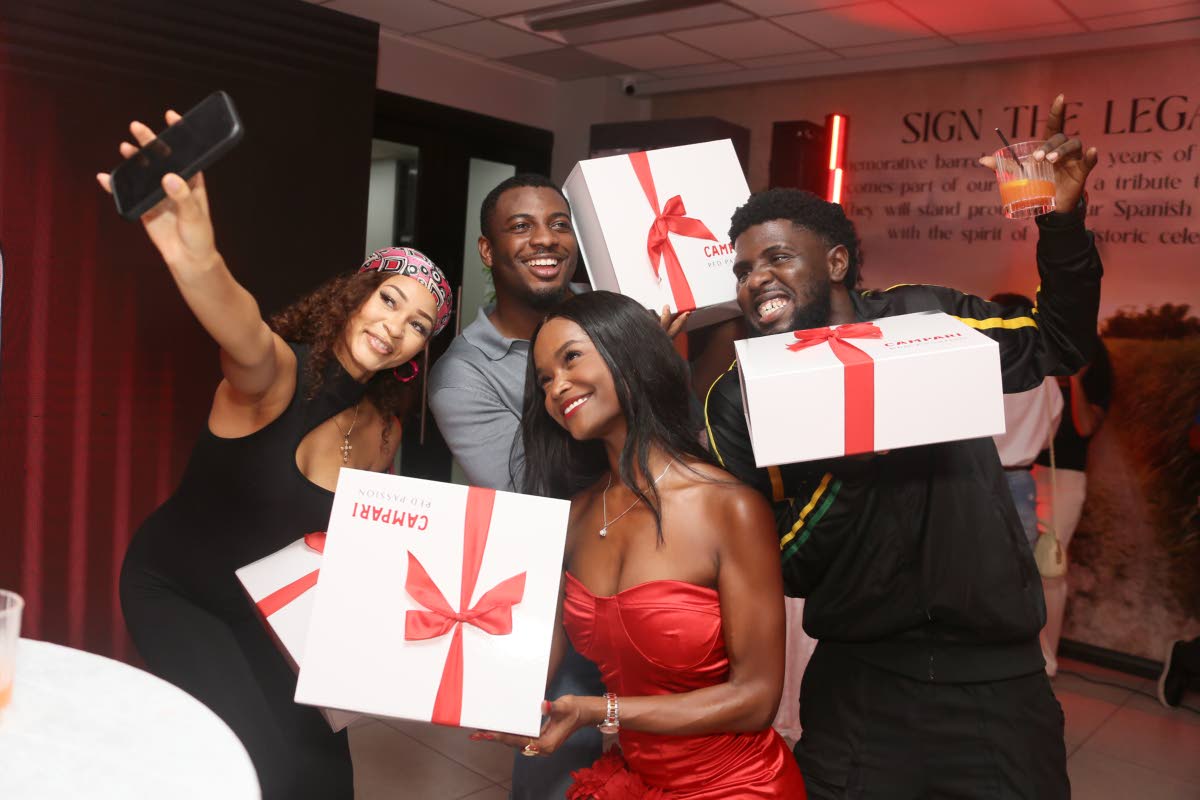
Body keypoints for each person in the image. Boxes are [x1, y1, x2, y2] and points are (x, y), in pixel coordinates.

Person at [703, 94, 1100, 798]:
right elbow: (771, 563)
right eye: (742, 269)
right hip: (861, 691)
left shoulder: (925, 320)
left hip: (998, 684)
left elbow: (1059, 343)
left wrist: (1061, 222)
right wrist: (850, 466)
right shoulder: (739, 395)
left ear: (835, 261)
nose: (755, 278)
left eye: (777, 258)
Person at [97, 111, 452, 799]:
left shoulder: (382, 432)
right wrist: (194, 257)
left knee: (324, 774)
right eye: (389, 300)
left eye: (418, 325)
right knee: (260, 768)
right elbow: (239, 322)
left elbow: (349, 554)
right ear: (355, 296)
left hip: (268, 611)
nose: (396, 328)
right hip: (175, 590)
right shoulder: (275, 376)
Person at [482, 290, 805, 798]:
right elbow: (534, 656)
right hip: (638, 780)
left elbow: (756, 698)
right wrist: (470, 694)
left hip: (737, 786)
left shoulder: (728, 507)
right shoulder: (574, 516)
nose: (556, 388)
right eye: (544, 380)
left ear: (627, 353)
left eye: (570, 359)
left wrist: (600, 711)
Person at [429, 174, 605, 798]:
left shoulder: (616, 313)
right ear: (487, 250)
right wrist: (615, 386)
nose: (545, 239)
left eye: (559, 224)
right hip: (565, 595)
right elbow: (536, 502)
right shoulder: (463, 376)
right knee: (562, 767)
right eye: (522, 226)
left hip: (665, 581)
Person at [1032, 340, 1112, 676]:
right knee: (1023, 566)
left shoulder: (1097, 380)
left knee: (1050, 568)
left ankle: (1047, 659)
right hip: (1031, 473)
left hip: (1066, 480)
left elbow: (1084, 426)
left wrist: (1076, 380)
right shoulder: (1042, 372)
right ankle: (1027, 652)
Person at [990, 292, 1064, 552]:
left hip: (975, 478)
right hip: (1020, 480)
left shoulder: (977, 370)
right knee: (1021, 567)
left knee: (970, 564)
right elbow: (1047, 440)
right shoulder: (1046, 380)